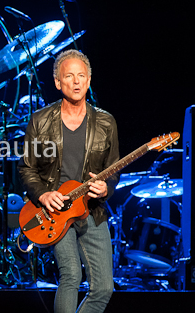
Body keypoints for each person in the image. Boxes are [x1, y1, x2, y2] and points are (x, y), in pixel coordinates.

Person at [18, 49, 119, 313]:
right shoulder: (40, 121)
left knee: (104, 289)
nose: (76, 82)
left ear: (88, 80)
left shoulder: (106, 122)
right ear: (57, 82)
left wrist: (106, 187)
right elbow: (26, 169)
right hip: (56, 212)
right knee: (72, 276)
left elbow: (113, 169)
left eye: (81, 76)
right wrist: (43, 195)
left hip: (92, 210)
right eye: (69, 76)